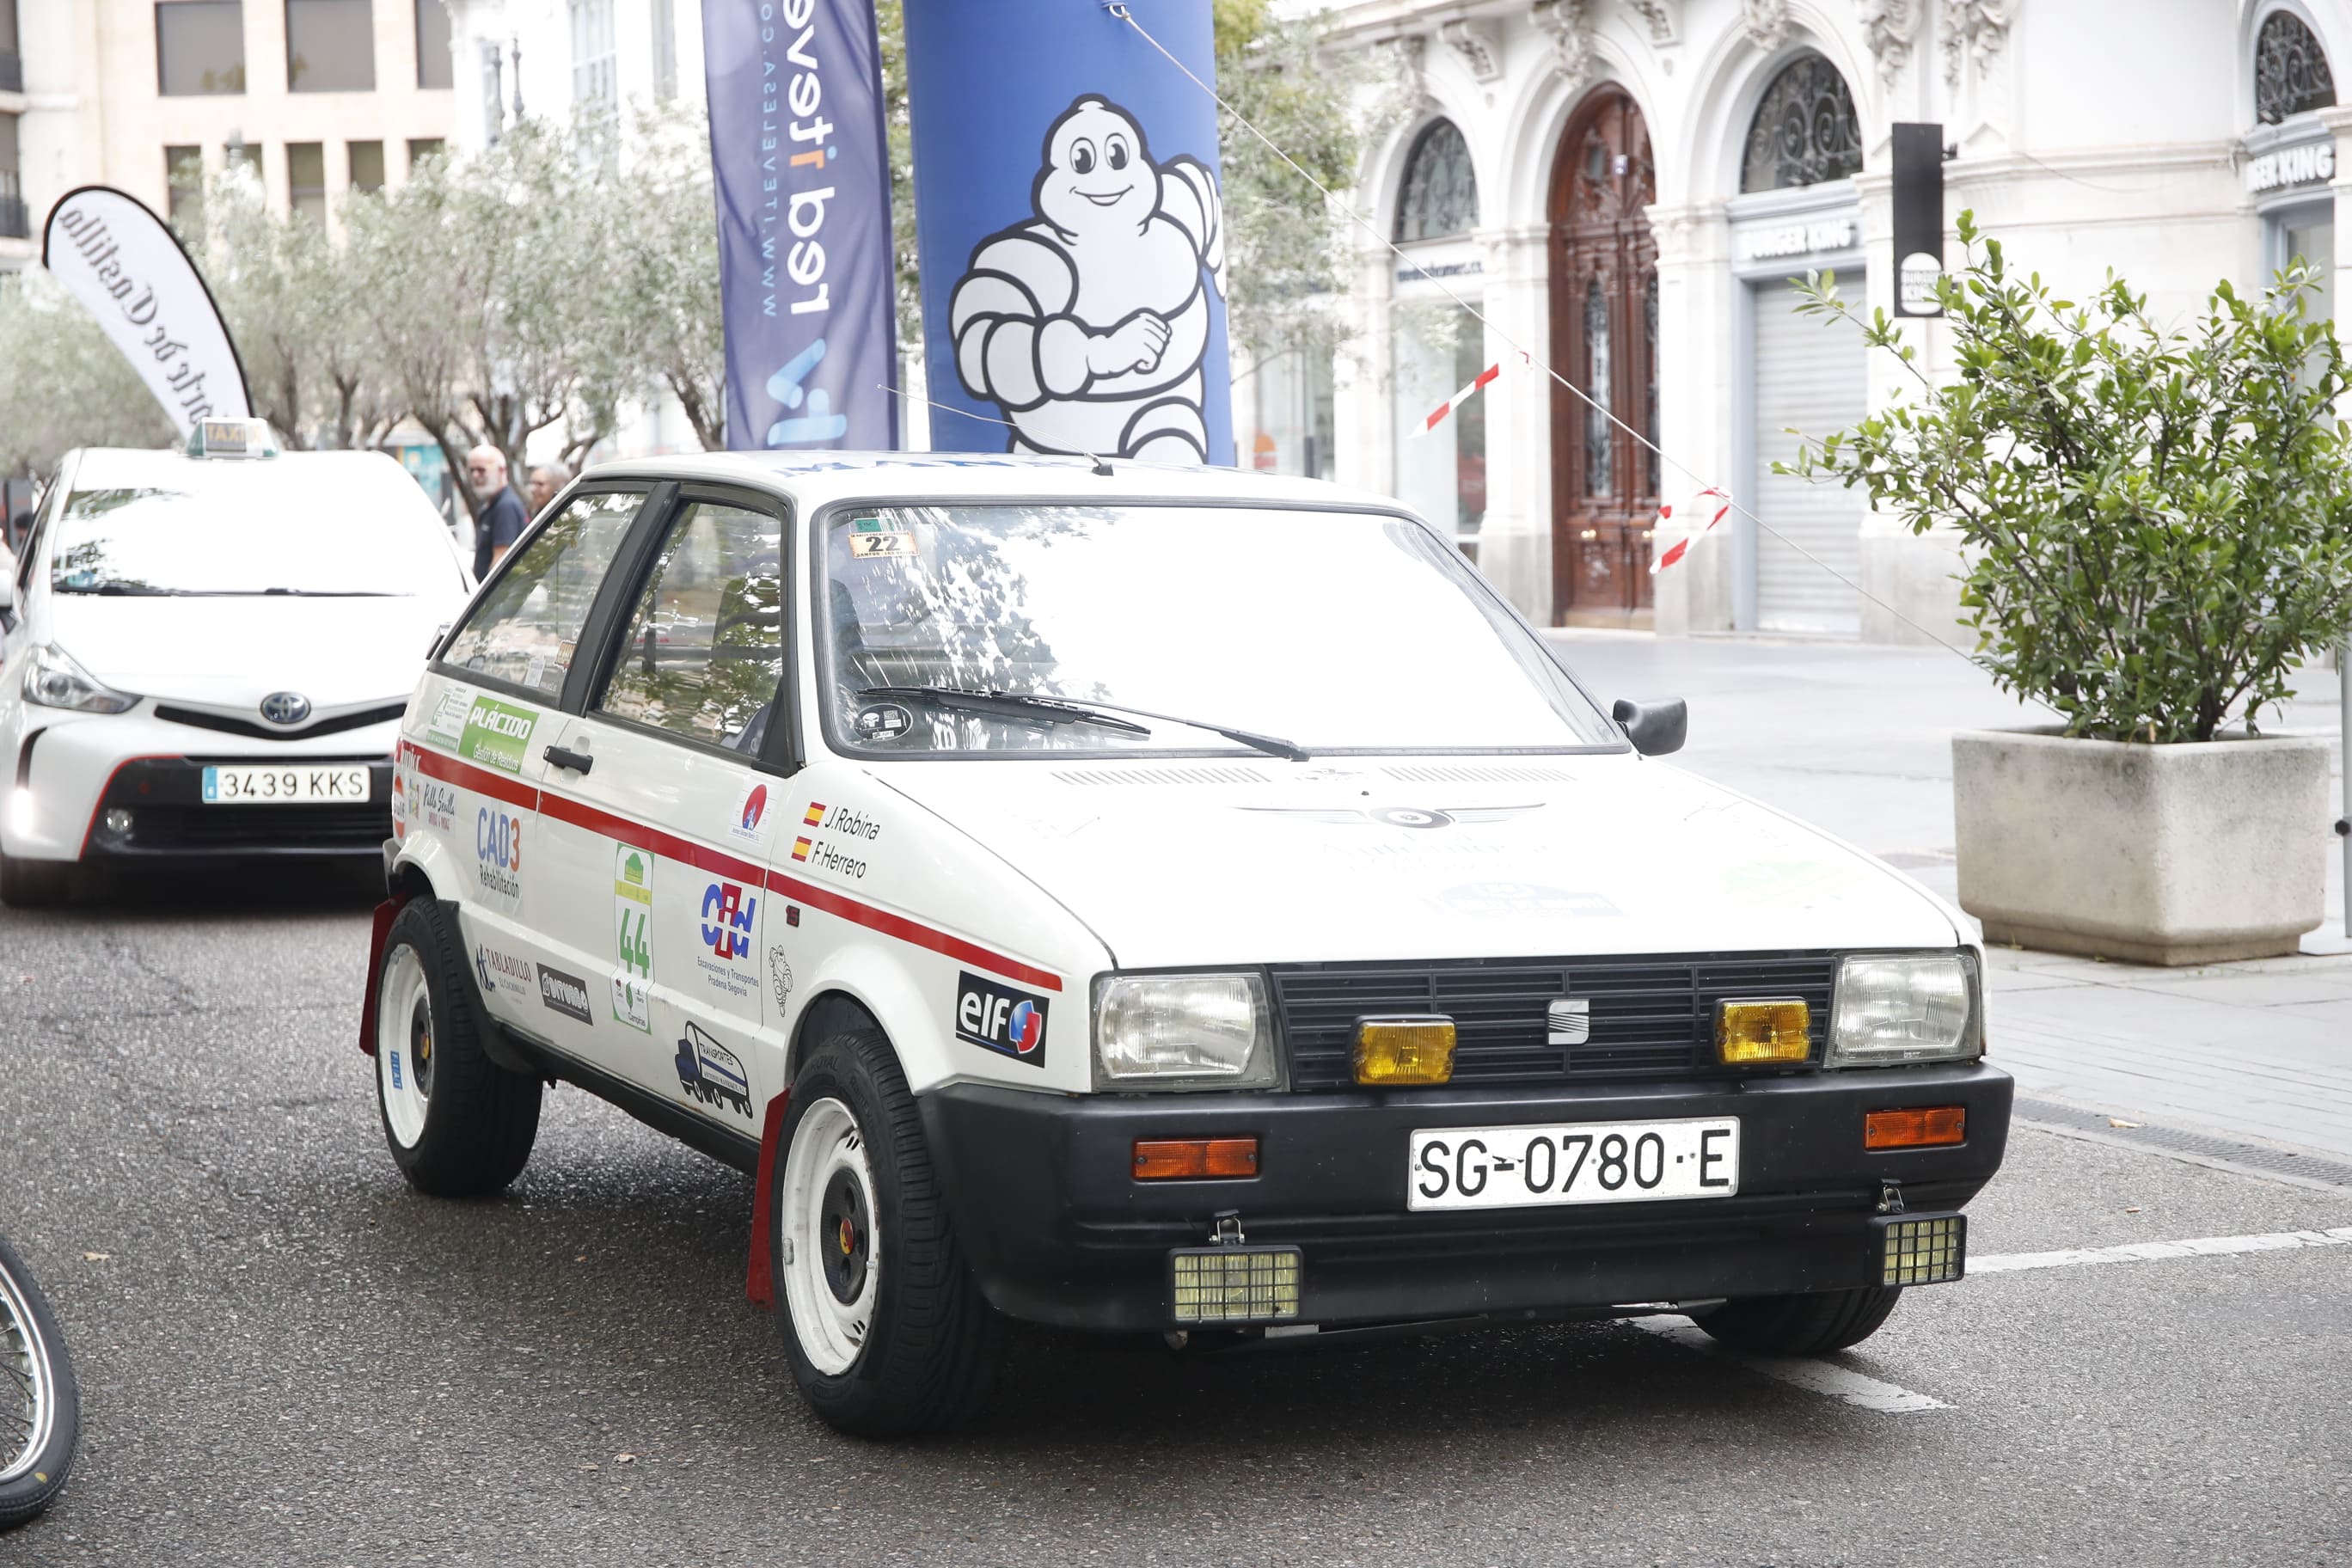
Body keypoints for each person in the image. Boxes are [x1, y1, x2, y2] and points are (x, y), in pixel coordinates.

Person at [466, 446, 529, 580]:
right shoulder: (489, 505)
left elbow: (500, 561)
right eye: (472, 470)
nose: (475, 475)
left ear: (501, 470)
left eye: (481, 470)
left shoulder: (505, 506)